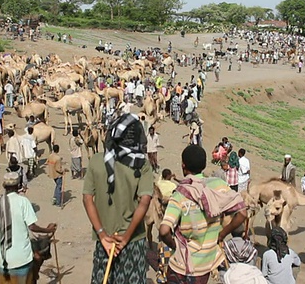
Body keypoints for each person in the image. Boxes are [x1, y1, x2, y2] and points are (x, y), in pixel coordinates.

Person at [159, 144, 247, 284]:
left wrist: (176, 245)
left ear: (183, 166)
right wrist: (222, 234)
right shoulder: (218, 185)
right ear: (205, 165)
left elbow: (164, 231)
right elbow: (242, 213)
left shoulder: (180, 193)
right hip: (203, 267)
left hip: (179, 266)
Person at [83, 113, 153, 284]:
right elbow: (144, 202)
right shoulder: (141, 164)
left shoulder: (96, 160)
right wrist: (127, 237)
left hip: (105, 239)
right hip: (133, 241)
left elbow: (87, 199)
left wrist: (101, 234)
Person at [0, 172, 56, 283]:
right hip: (22, 259)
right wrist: (48, 230)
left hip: (3, 261)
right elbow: (32, 226)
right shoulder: (23, 202)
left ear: (4, 186)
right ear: (18, 185)